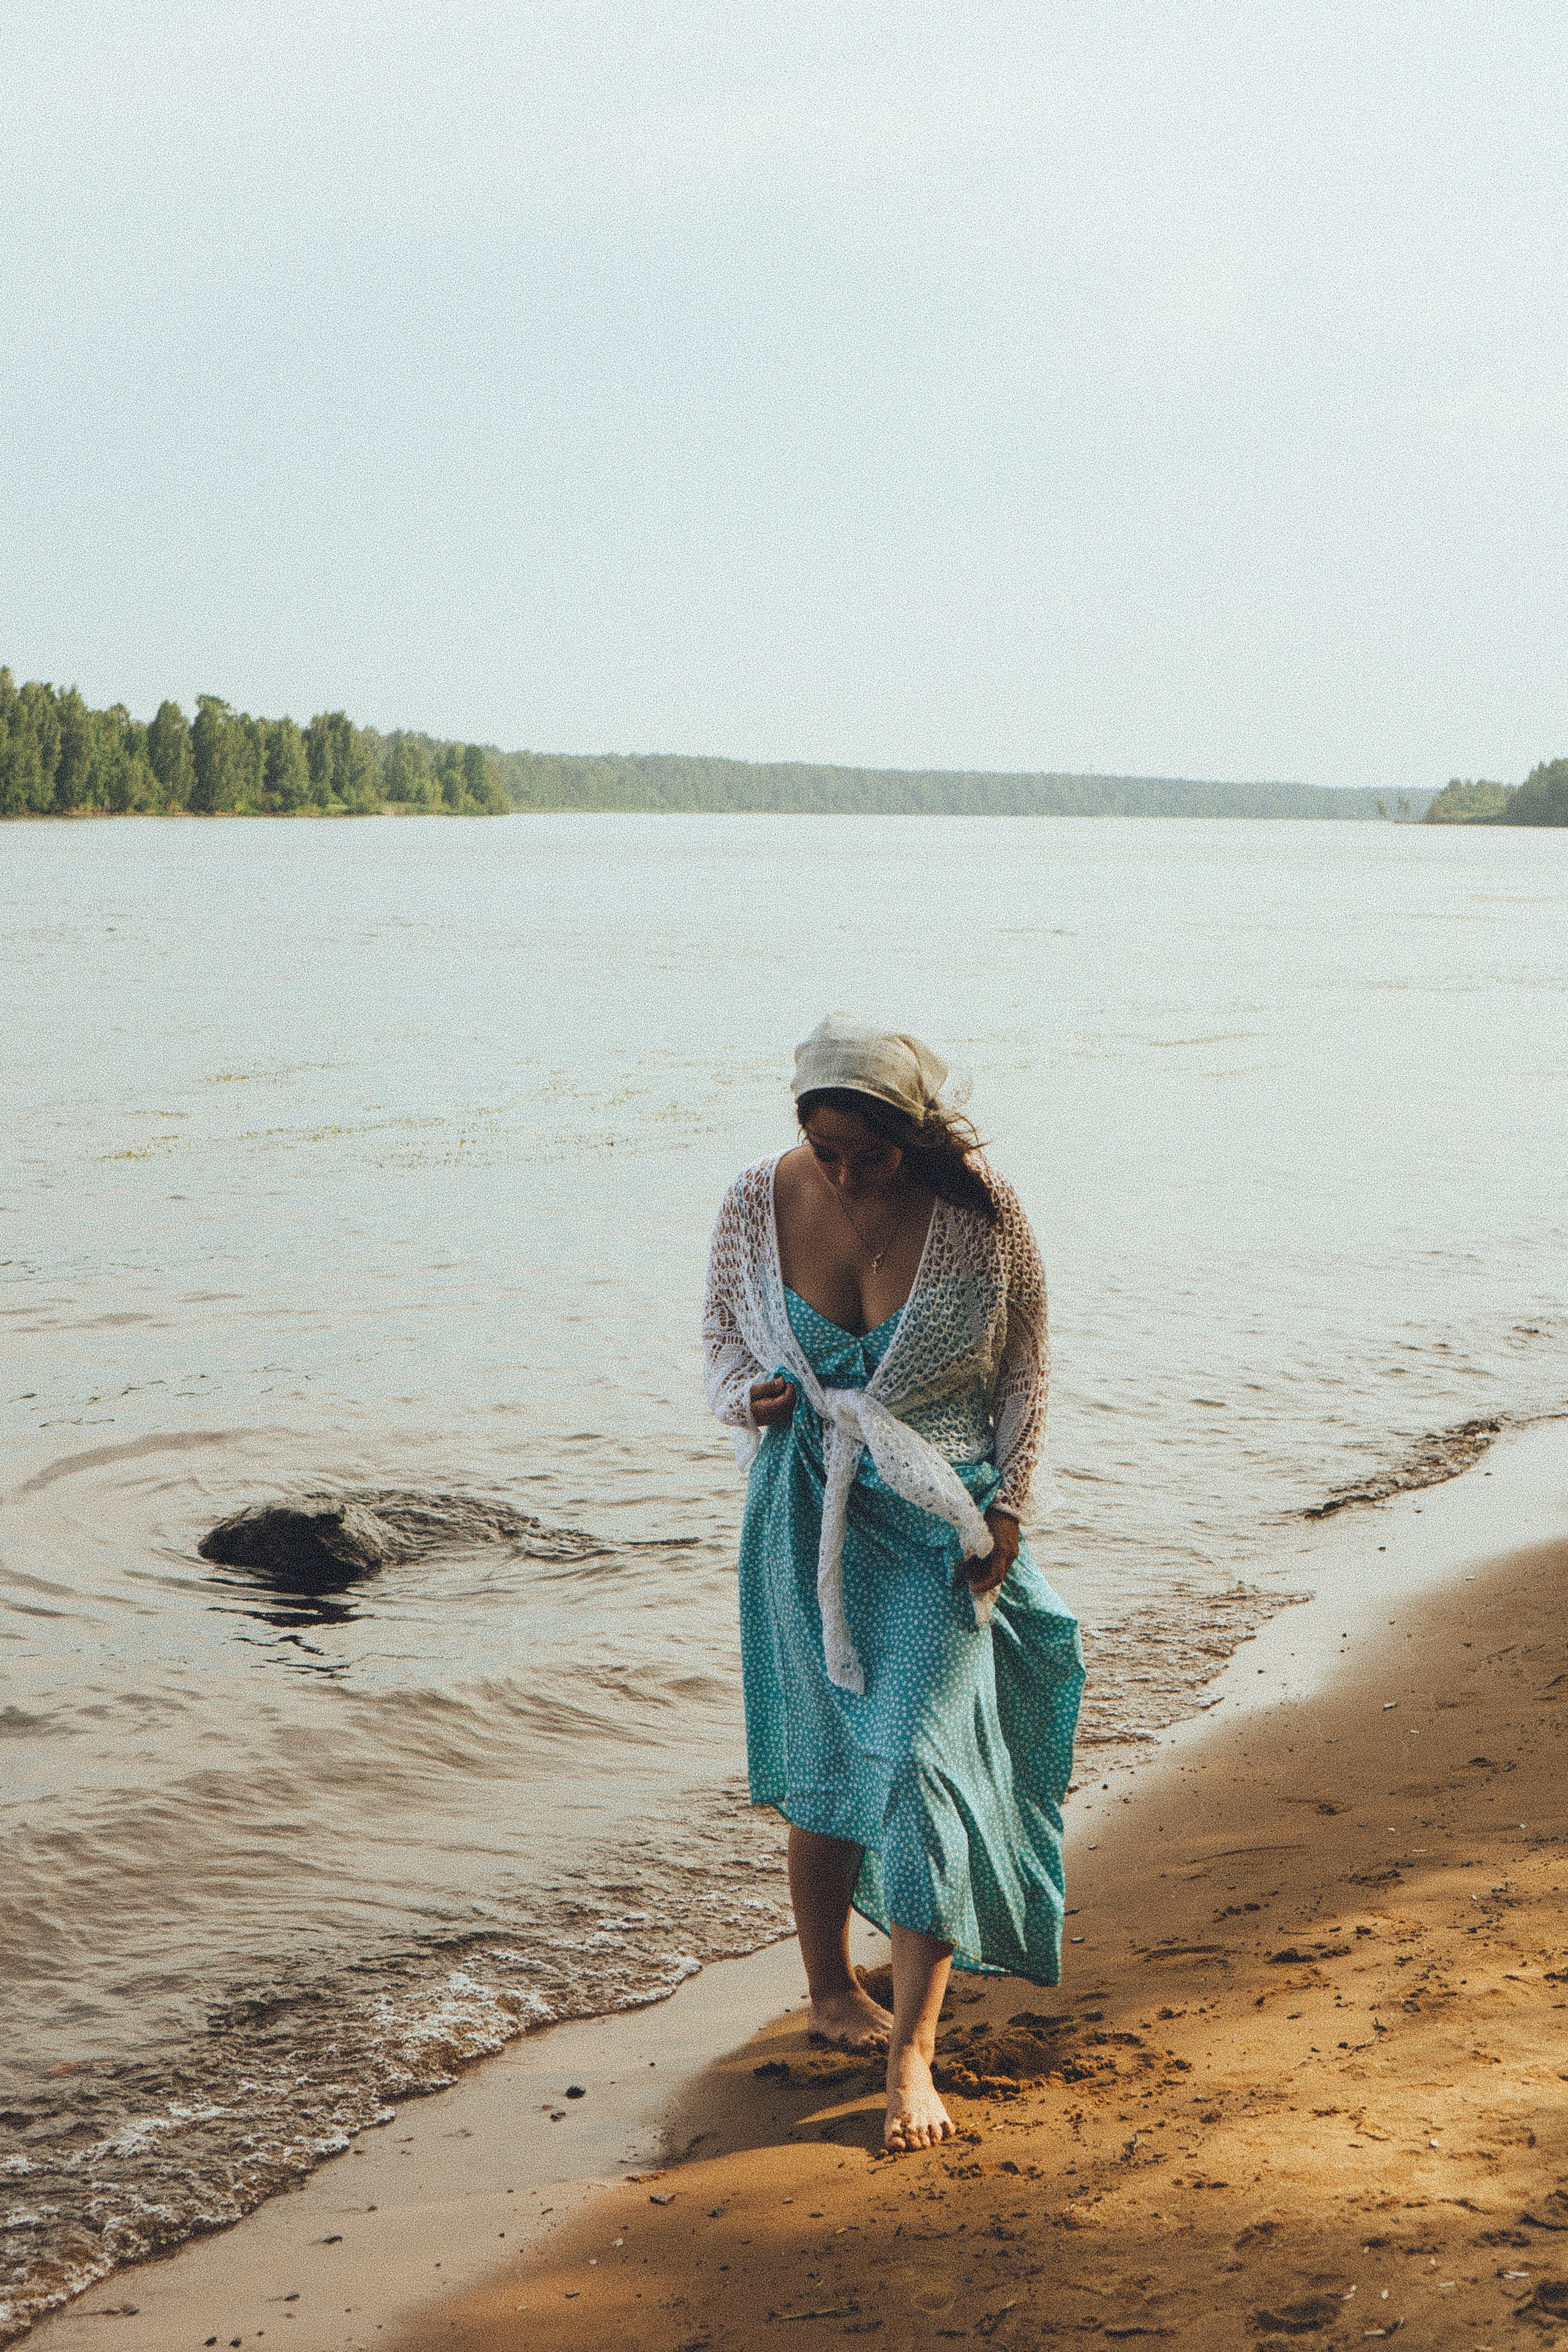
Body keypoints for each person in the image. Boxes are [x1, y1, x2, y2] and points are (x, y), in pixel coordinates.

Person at [701, 1014, 1084, 2153]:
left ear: (916, 1138)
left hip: (936, 1519)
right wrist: (753, 1397)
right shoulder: (753, 1203)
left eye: (871, 1156)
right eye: (828, 1151)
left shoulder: (981, 1214)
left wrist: (1010, 1506)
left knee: (920, 1768)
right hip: (798, 1511)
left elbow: (1024, 1368)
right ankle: (829, 1991)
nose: (848, 1174)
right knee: (823, 1763)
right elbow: (721, 1338)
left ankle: (912, 2053)